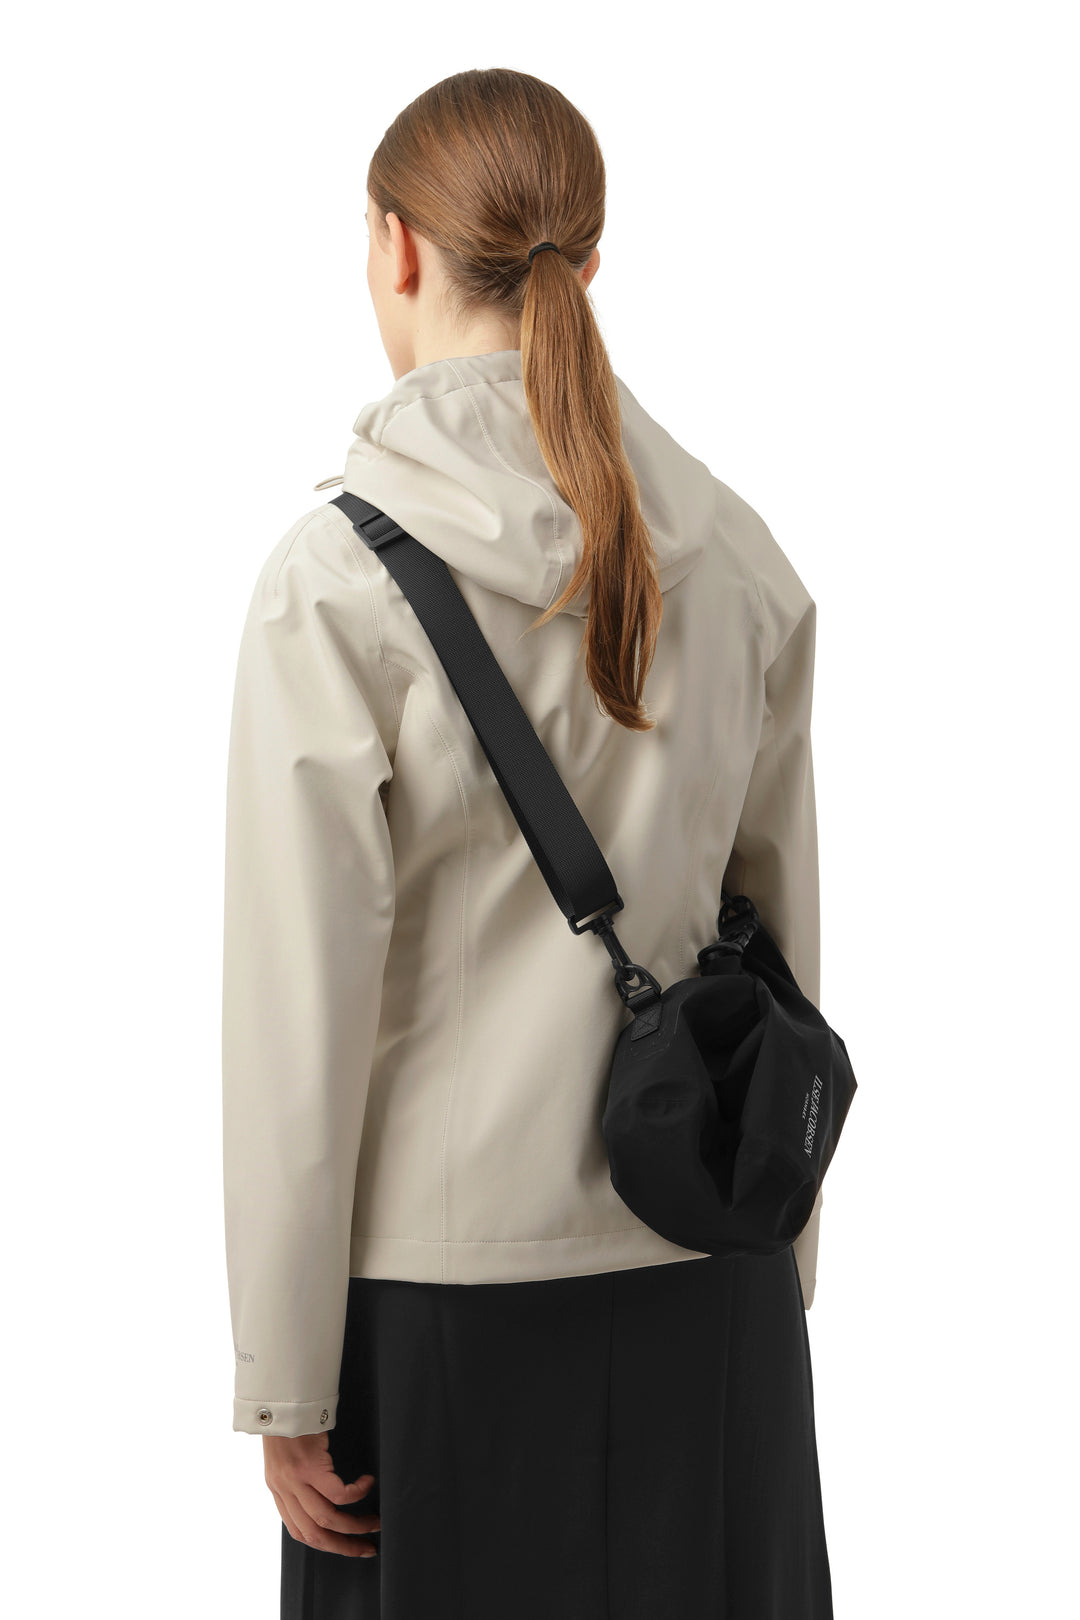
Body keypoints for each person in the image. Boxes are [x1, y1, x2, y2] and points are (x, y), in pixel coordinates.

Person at [222, 66, 834, 1620]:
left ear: (396, 246)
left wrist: (287, 1373)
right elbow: (782, 941)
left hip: (441, 1312)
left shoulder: (335, 583)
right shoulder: (738, 556)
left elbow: (299, 1011)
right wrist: (786, 1257)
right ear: (590, 261)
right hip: (712, 1280)